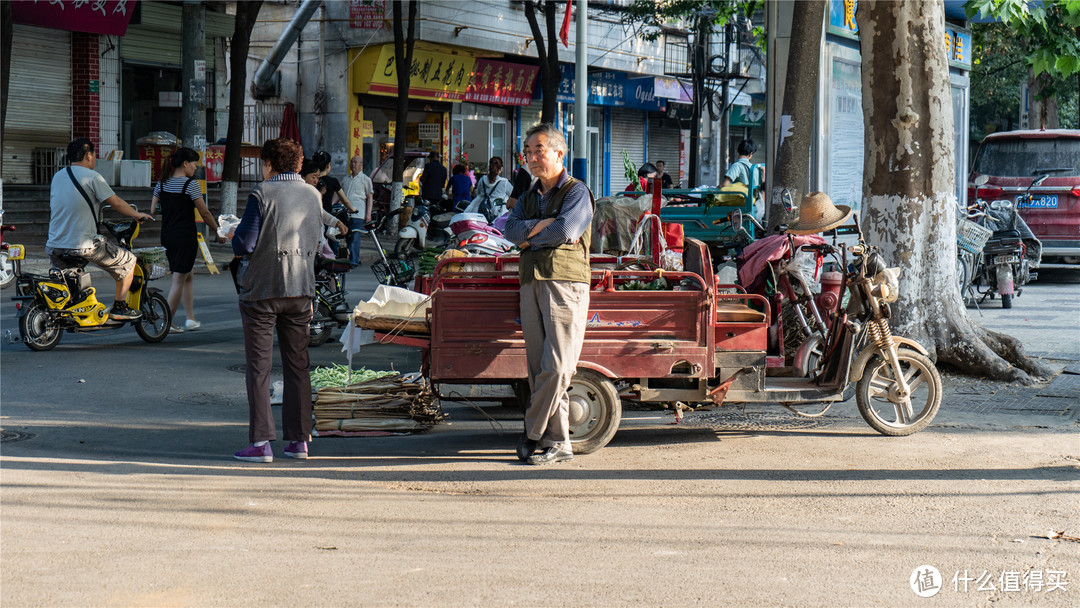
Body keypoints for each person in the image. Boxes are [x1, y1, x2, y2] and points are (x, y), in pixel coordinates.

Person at [231, 138, 347, 463]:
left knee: (259, 367)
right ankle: (299, 441)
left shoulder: (262, 193)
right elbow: (319, 238)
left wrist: (232, 236)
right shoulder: (313, 195)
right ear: (299, 165)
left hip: (263, 292)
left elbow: (246, 244)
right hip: (301, 291)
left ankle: (260, 443)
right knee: (298, 366)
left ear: (268, 163)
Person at [503, 123, 594, 466]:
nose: (532, 157)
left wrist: (531, 236)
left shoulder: (576, 192)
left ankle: (532, 432)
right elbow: (510, 230)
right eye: (528, 151)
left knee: (557, 368)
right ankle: (559, 444)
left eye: (538, 150)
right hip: (531, 281)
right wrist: (533, 231)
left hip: (564, 282)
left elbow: (566, 230)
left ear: (559, 152)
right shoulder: (527, 196)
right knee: (538, 367)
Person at [46, 138, 154, 321]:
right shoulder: (92, 176)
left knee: (68, 279)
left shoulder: (58, 176)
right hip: (83, 244)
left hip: (55, 246)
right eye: (94, 154)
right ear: (88, 155)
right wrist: (137, 215)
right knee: (128, 262)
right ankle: (120, 308)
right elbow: (117, 203)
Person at [152, 147, 227, 334]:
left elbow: (153, 210)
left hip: (167, 236)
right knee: (179, 278)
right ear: (185, 164)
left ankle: (190, 318)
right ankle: (166, 323)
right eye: (194, 164)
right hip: (185, 236)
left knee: (187, 275)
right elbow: (205, 212)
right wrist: (218, 231)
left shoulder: (161, 184)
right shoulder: (190, 185)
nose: (196, 168)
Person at [313, 151, 358, 255]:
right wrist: (353, 209)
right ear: (328, 165)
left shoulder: (311, 180)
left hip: (313, 217)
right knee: (330, 245)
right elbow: (344, 199)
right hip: (327, 218)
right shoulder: (332, 181)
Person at [342, 154, 374, 266]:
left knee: (355, 237)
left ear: (361, 165)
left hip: (358, 213)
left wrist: (368, 214)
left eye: (356, 162)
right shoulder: (346, 179)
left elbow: (370, 197)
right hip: (345, 213)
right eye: (352, 162)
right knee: (347, 237)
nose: (354, 164)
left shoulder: (366, 179)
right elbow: (340, 195)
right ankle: (351, 257)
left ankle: (354, 260)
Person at [471, 156, 512, 220]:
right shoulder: (505, 183)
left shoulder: (482, 180)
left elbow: (478, 194)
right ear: (501, 168)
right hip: (498, 214)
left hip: (481, 213)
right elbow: (513, 196)